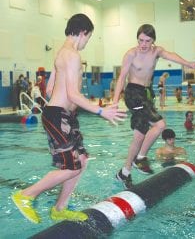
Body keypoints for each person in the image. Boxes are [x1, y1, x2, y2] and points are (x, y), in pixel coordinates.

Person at [11, 14, 127, 224]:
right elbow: (72, 94)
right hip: (58, 117)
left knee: (81, 161)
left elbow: (49, 90)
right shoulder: (71, 55)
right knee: (71, 166)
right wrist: (101, 111)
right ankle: (25, 195)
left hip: (65, 116)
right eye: (88, 38)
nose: (86, 43)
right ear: (83, 32)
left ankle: (59, 208)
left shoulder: (60, 54)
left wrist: (65, 104)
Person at [114, 23, 195, 189]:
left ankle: (124, 172)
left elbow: (171, 55)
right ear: (137, 39)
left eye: (147, 41)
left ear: (153, 40)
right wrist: (115, 101)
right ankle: (140, 158)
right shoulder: (131, 54)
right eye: (140, 40)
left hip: (146, 94)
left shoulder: (156, 51)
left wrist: (188, 64)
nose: (143, 44)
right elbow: (121, 77)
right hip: (133, 93)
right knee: (160, 125)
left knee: (139, 136)